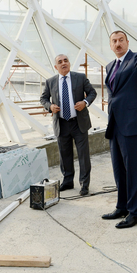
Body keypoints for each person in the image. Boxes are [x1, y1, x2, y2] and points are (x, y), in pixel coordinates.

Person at [102, 31, 137, 229]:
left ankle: (135, 213)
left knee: (133, 169)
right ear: (110, 45)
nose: (117, 44)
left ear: (127, 42)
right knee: (119, 169)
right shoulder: (110, 66)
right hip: (115, 124)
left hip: (132, 123)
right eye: (114, 41)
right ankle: (122, 206)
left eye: (120, 41)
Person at [40, 54, 97, 196]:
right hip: (61, 123)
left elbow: (92, 93)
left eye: (66, 60)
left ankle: (84, 185)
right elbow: (43, 98)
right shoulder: (50, 82)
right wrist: (50, 106)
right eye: (60, 62)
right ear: (56, 66)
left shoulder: (80, 77)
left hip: (79, 123)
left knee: (83, 155)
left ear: (69, 63)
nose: (63, 63)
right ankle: (68, 181)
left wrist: (85, 103)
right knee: (65, 155)